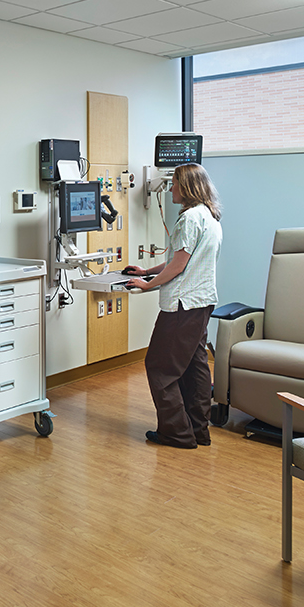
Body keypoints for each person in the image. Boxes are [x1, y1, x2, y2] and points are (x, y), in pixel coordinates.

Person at [125, 163, 223, 449]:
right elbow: (181, 260)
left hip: (182, 305)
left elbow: (178, 266)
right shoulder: (209, 217)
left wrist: (146, 286)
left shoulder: (189, 219)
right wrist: (146, 272)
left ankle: (177, 434)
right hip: (202, 302)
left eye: (175, 183)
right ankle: (197, 430)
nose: (171, 188)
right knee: (195, 367)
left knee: (159, 367)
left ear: (188, 187)